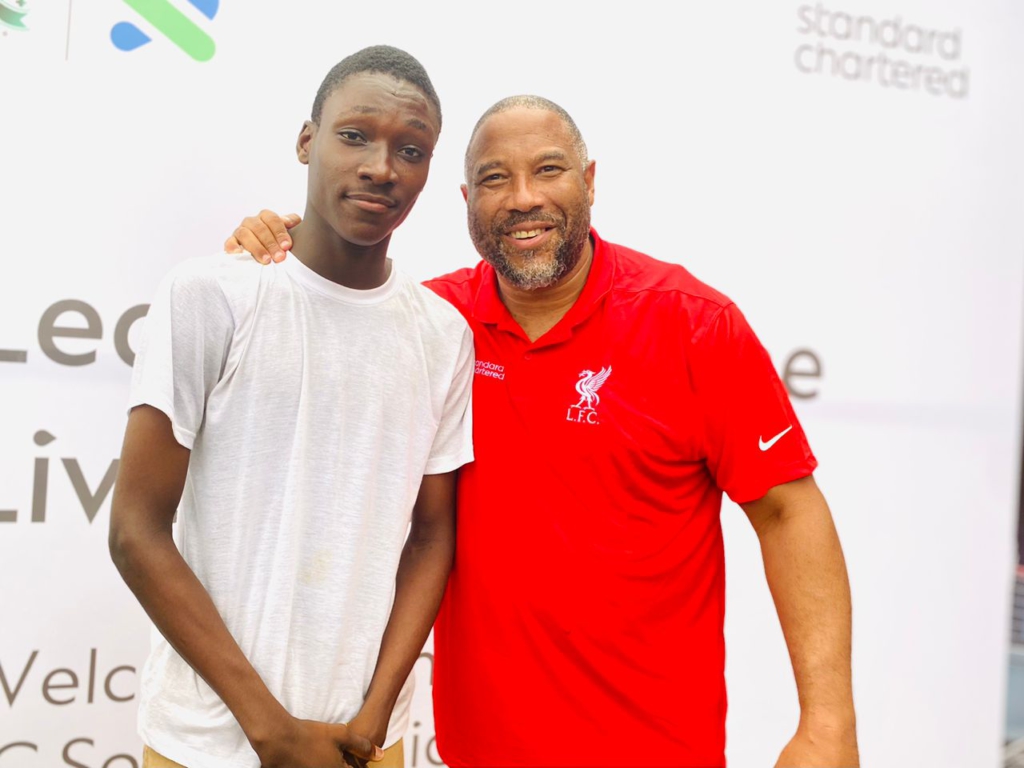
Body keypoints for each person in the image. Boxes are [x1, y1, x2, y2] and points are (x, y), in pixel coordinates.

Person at [227, 95, 858, 767]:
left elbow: (790, 512)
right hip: (476, 752)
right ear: (468, 200)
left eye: (548, 170)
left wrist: (827, 724)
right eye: (496, 178)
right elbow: (309, 328)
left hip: (657, 750)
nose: (523, 197)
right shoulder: (431, 326)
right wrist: (273, 248)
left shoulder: (692, 323)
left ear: (589, 182)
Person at [109, 45, 474, 768]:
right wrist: (269, 730)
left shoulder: (443, 334)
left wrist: (372, 722)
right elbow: (135, 529)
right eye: (355, 134)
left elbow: (431, 538)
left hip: (363, 745)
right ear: (307, 142)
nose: (381, 165)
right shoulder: (211, 294)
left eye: (411, 148)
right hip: (208, 741)